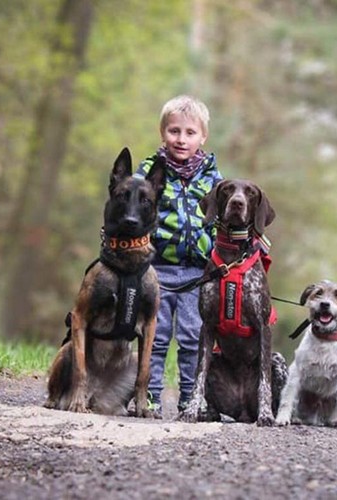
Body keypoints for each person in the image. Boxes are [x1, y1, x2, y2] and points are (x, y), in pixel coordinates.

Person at [134, 95, 223, 416]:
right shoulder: (148, 173)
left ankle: (190, 398)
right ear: (163, 134)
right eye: (174, 131)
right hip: (155, 269)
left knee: (191, 338)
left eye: (189, 133)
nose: (181, 139)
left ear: (203, 138)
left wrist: (218, 259)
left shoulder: (214, 180)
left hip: (197, 273)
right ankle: (149, 396)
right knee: (153, 337)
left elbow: (219, 224)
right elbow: (136, 213)